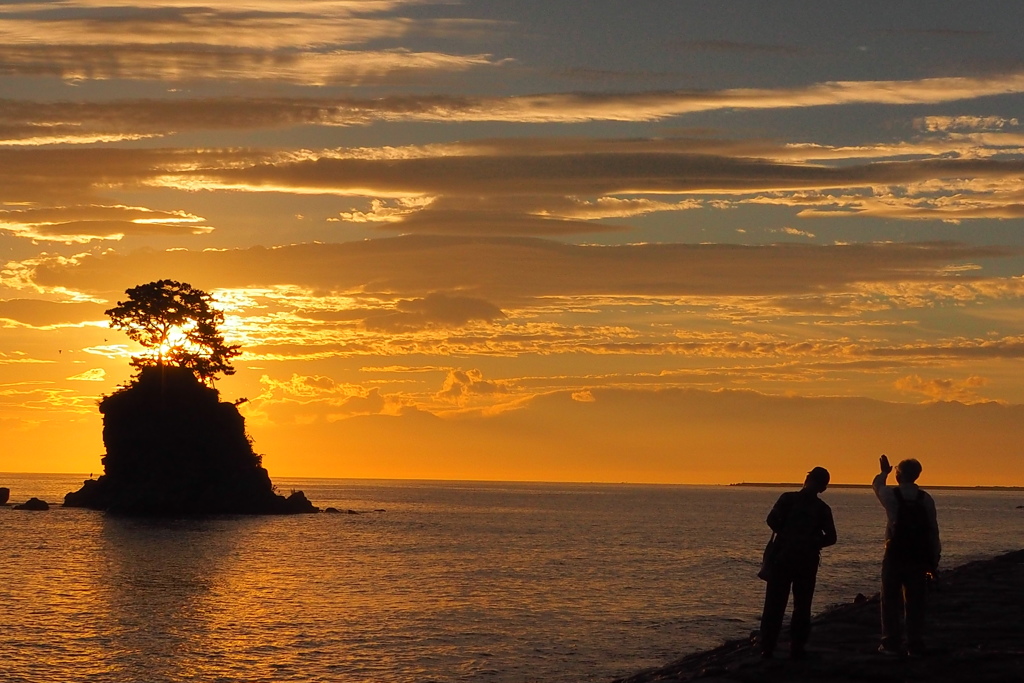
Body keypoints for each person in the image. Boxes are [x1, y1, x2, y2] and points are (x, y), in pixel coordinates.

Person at [759, 467, 837, 659]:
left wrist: (786, 535)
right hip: (807, 562)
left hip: (782, 559)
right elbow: (831, 537)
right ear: (823, 487)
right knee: (802, 606)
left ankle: (767, 647)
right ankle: (797, 646)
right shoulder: (822, 509)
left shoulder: (787, 499)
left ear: (807, 479)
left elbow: (771, 520)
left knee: (774, 605)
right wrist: (811, 542)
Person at [873, 455, 941, 657]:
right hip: (918, 556)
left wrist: (884, 472)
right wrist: (934, 559)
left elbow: (877, 485)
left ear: (898, 475)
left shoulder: (891, 495)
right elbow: (932, 531)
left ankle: (891, 641)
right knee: (916, 600)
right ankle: (915, 641)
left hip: (894, 553)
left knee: (890, 598)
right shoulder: (925, 498)